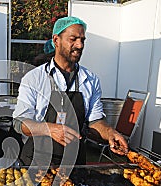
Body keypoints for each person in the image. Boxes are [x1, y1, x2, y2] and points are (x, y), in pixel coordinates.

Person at [12, 16, 128, 166]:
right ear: (56, 40)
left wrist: (110, 133)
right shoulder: (34, 78)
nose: (79, 45)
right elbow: (19, 122)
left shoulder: (91, 80)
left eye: (82, 40)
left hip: (74, 163)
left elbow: (95, 121)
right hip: (37, 160)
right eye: (73, 39)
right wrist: (49, 129)